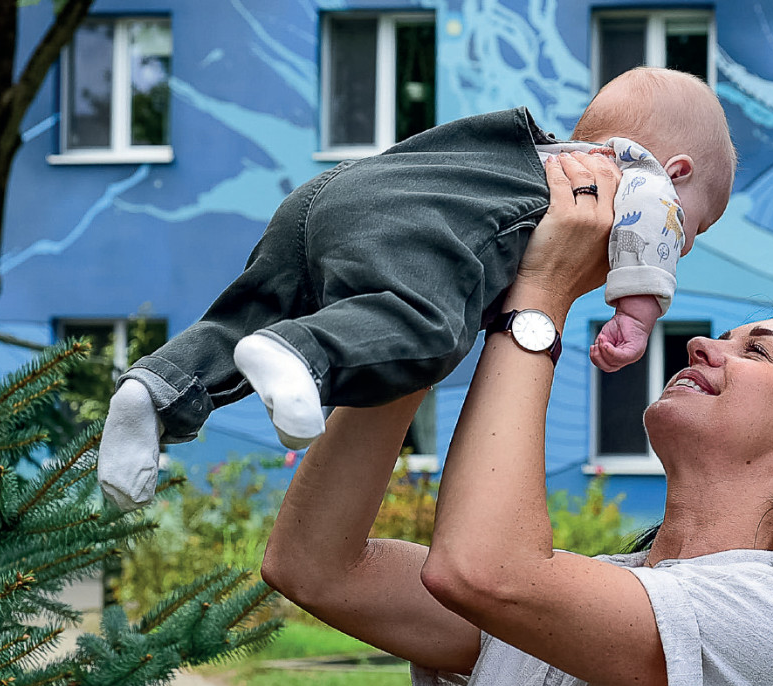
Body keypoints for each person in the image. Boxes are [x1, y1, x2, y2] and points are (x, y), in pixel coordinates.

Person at [261, 152, 773, 686]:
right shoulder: (577, 593)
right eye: (722, 337)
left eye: (758, 352)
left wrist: (541, 292)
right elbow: (317, 567)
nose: (700, 346)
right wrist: (424, 318)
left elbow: (486, 572)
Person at [97, 67, 736, 512]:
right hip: (410, 228)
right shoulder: (631, 174)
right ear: (676, 171)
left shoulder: (524, 160)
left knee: (246, 313)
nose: (681, 242)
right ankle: (307, 353)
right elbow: (653, 217)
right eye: (696, 224)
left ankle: (152, 391)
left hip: (330, 194)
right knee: (430, 332)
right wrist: (638, 311)